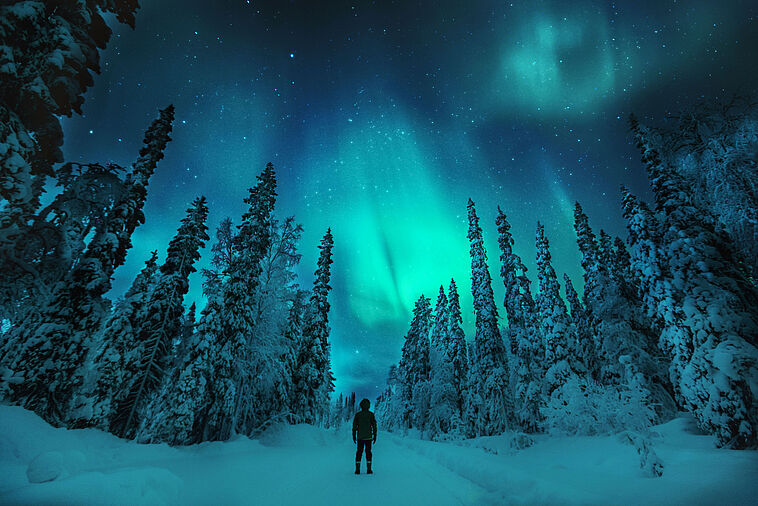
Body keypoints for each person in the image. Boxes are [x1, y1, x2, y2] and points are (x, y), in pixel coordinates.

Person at [352, 398, 377, 475]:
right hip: (368, 437)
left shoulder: (358, 415)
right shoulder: (371, 415)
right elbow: (374, 426)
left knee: (359, 452)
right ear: (369, 406)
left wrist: (353, 435)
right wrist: (375, 435)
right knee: (368, 452)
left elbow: (354, 426)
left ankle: (357, 469)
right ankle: (369, 469)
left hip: (360, 437)